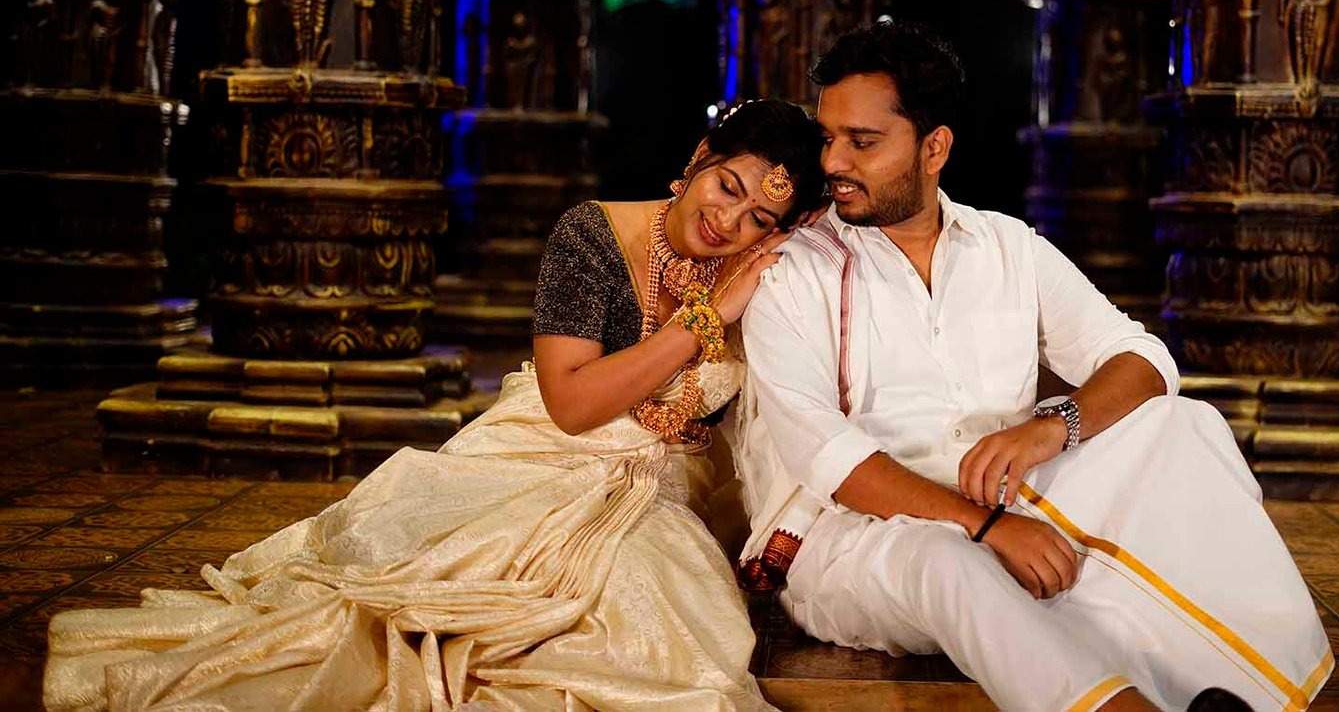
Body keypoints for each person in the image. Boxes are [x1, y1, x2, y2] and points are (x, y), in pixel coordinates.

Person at [45, 99, 829, 712]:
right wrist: (703, 321)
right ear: (698, 160)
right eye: (727, 186)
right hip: (544, 458)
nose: (729, 220)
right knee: (432, 607)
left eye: (759, 218)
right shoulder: (591, 235)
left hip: (665, 492)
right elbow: (572, 401)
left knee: (663, 624)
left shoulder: (765, 274)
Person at [734, 22, 1331, 712]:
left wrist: (1053, 428)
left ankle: (1253, 682)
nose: (833, 160)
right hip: (851, 537)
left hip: (1008, 495)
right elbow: (826, 455)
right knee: (948, 562)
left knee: (1184, 422)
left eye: (862, 142)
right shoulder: (792, 268)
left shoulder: (1006, 246)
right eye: (827, 135)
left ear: (935, 148)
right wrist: (987, 527)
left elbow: (1143, 357)